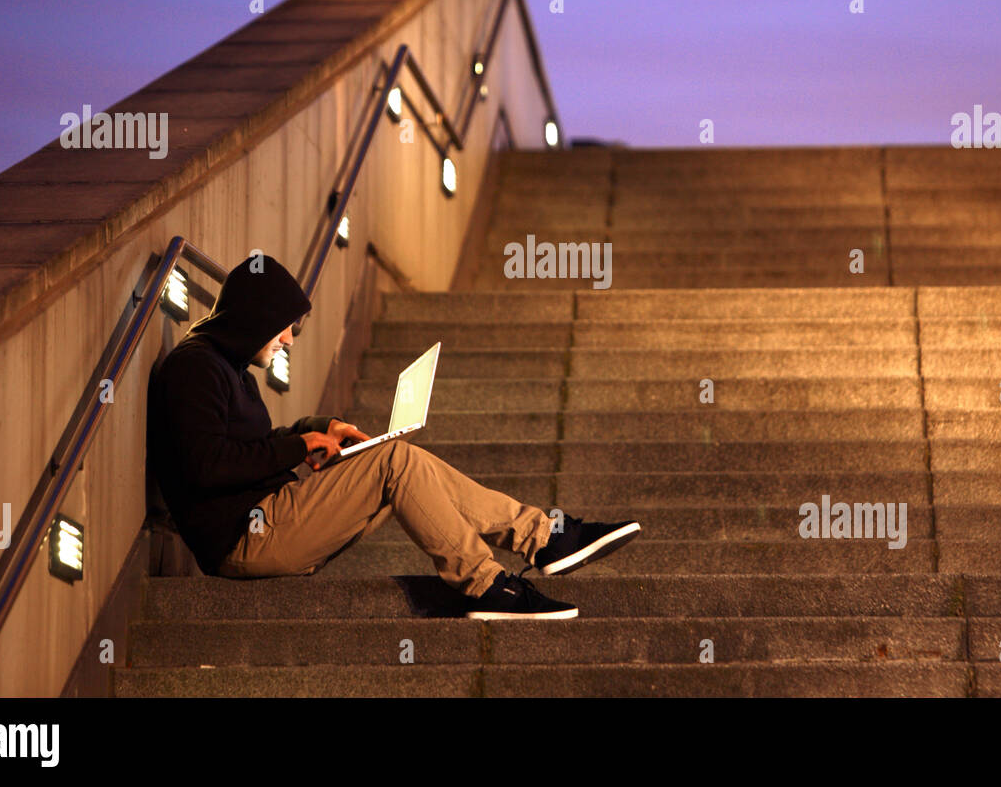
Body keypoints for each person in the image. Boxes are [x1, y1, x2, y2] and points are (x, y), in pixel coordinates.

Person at [145, 253, 641, 619]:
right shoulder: (195, 369)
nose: (289, 340)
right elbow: (205, 464)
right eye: (283, 328)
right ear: (254, 319)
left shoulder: (226, 368)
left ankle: (543, 539)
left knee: (400, 460)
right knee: (395, 462)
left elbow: (244, 444)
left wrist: (317, 430)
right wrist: (298, 447)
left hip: (267, 519)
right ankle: (492, 581)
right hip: (245, 538)